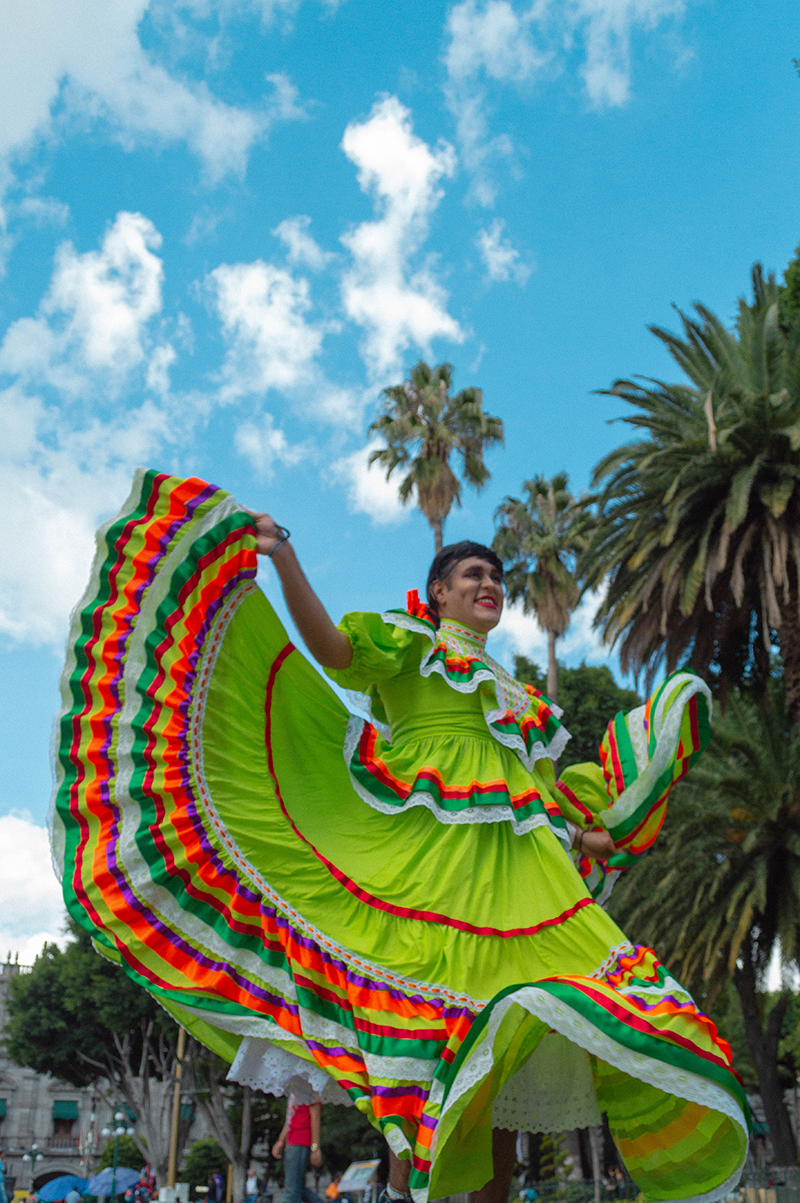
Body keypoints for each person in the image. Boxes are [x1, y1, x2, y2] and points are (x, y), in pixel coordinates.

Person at [52, 470, 749, 1203]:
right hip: (424, 867)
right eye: (473, 574)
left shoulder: (522, 701)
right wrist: (284, 556)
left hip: (521, 883)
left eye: (497, 577)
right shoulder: (411, 645)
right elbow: (328, 649)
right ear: (439, 591)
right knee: (419, 1060)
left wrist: (599, 827)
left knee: (507, 1055)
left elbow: (545, 800)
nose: (490, 584)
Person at [272, 1095, 324, 1203]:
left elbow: (315, 1117)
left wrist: (315, 1148)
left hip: (301, 1142)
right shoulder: (294, 1089)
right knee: (297, 1187)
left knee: (292, 1191)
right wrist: (281, 1140)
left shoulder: (310, 1089)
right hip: (291, 1142)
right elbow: (290, 1118)